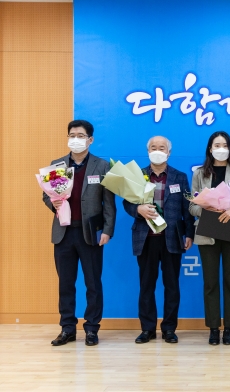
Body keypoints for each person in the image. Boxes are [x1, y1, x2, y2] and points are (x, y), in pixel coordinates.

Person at [43, 120, 116, 347]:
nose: (75, 139)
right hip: (63, 233)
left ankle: (92, 328)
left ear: (90, 140)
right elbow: (46, 195)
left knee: (93, 283)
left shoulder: (102, 166)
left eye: (80, 136)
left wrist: (107, 230)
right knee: (66, 283)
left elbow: (109, 203)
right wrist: (53, 203)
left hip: (90, 234)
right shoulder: (57, 165)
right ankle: (67, 328)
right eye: (72, 135)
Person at [123, 136, 194, 344]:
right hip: (146, 238)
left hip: (172, 238)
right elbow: (127, 203)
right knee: (146, 285)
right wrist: (138, 209)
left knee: (172, 286)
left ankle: (169, 329)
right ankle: (147, 329)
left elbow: (187, 208)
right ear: (148, 151)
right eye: (153, 147)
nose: (157, 151)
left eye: (161, 148)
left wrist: (189, 234)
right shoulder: (138, 176)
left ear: (168, 152)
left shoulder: (180, 177)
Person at [189, 131, 230, 346]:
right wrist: (208, 211)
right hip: (207, 231)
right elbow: (192, 206)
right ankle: (213, 328)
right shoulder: (199, 173)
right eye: (217, 145)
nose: (220, 148)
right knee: (210, 283)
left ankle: (229, 328)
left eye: (224, 145)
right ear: (210, 148)